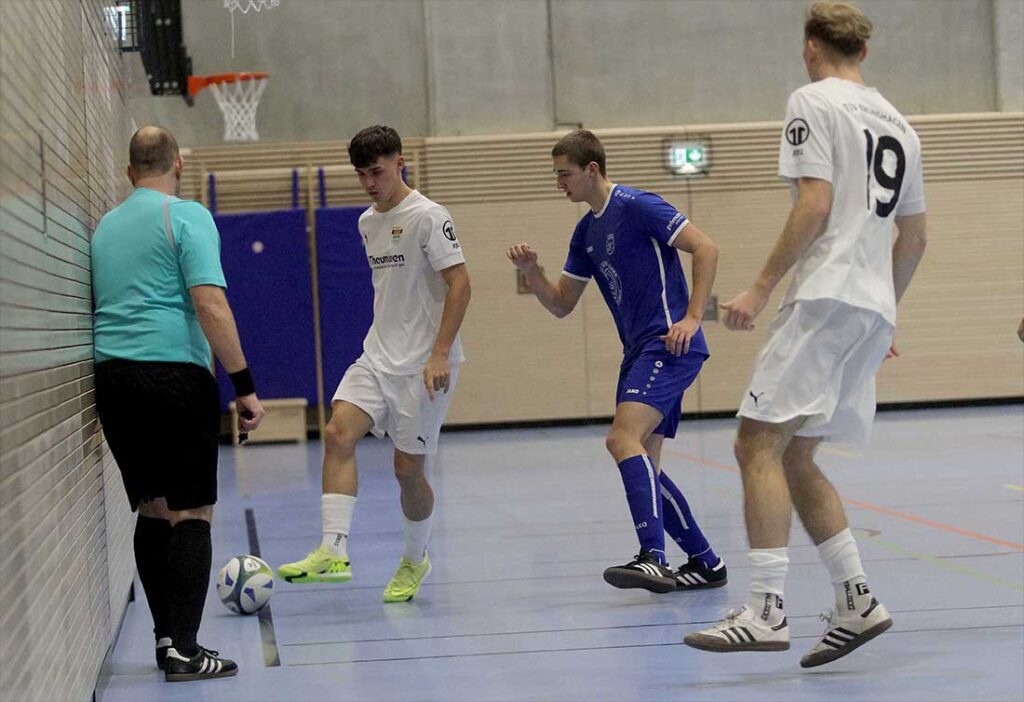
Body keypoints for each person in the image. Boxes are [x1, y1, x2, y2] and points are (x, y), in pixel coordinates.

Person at [684, 1, 927, 668]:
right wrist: (886, 314)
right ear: (865, 54)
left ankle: (765, 608)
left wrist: (760, 287)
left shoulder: (812, 100)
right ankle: (856, 600)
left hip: (825, 296)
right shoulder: (902, 125)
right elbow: (915, 237)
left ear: (810, 47)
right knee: (796, 455)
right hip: (869, 304)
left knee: (755, 442)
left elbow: (815, 203)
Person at [507, 129, 726, 594]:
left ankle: (653, 557)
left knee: (620, 439)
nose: (559, 184)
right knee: (645, 463)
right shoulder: (586, 232)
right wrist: (532, 274)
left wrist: (691, 317)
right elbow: (562, 303)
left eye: (564, 175)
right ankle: (707, 562)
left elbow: (706, 247)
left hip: (668, 345)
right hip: (638, 354)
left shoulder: (638, 206)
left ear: (591, 170)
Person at [92, 126, 265, 682]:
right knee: (192, 512)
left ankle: (167, 639)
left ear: (129, 173)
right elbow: (210, 305)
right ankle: (187, 653)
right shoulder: (186, 216)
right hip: (172, 375)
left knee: (152, 508)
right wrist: (243, 385)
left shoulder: (104, 228)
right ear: (179, 166)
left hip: (113, 380)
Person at [278, 126, 471, 603]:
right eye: (362, 174)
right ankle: (333, 549)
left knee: (408, 471)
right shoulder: (367, 221)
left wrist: (440, 352)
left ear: (399, 162)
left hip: (424, 366)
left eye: (377, 172)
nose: (369, 183)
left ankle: (414, 558)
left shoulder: (429, 217)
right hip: (377, 356)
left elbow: (461, 284)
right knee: (337, 433)